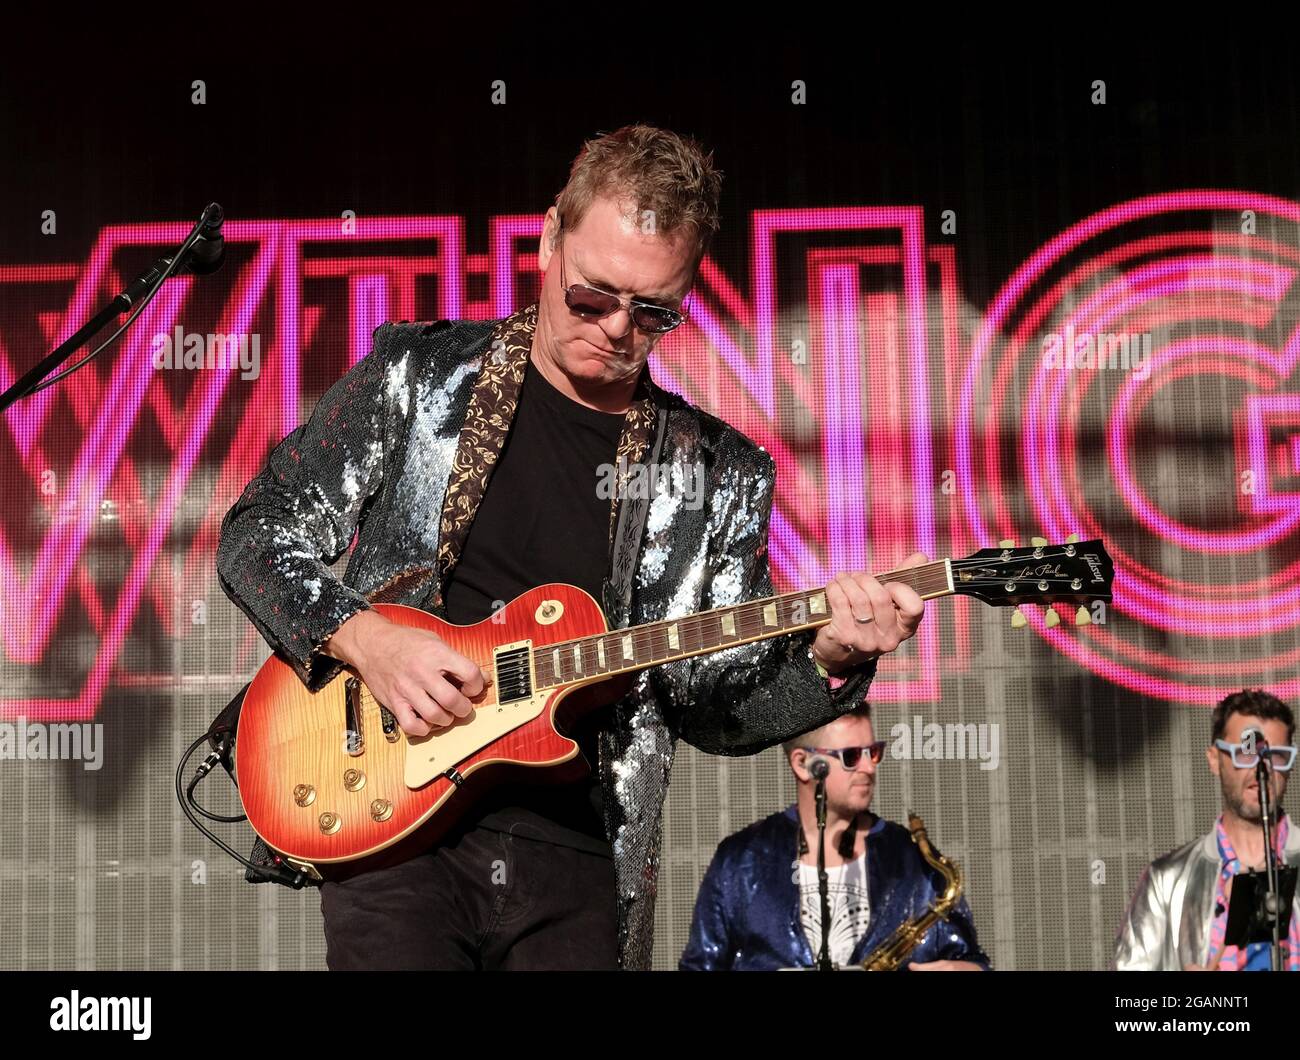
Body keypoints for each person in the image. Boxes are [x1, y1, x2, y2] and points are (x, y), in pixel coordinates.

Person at [216, 124, 929, 970]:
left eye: (654, 311)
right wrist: (365, 638)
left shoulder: (720, 472)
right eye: (593, 297)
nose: (617, 330)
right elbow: (256, 534)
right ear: (551, 236)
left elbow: (715, 708)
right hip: (396, 827)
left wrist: (827, 659)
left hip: (583, 854)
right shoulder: (419, 374)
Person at [680, 701, 988, 970]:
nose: (868, 767)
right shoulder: (741, 860)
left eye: (873, 752)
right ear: (802, 763)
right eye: (852, 756)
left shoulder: (915, 861)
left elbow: (971, 960)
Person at [1115, 689, 1299, 970]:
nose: (1261, 768)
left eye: (1276, 756)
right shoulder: (1166, 881)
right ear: (1215, 759)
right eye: (1245, 753)